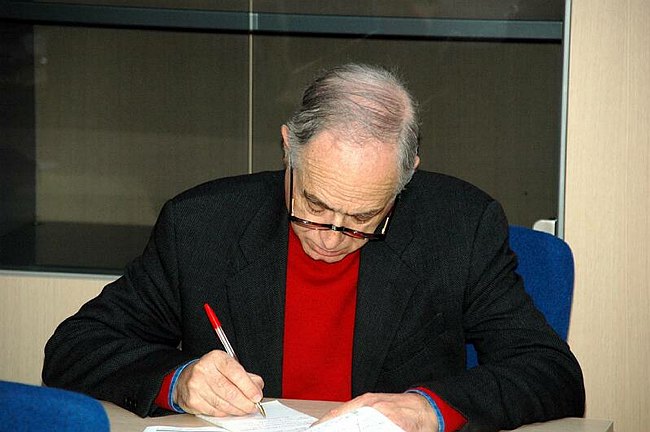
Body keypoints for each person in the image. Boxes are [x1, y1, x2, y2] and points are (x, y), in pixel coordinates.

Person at [43, 63, 584, 432]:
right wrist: (179, 382)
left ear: (407, 176)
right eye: (315, 206)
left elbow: (550, 372)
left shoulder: (459, 227)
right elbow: (75, 348)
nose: (331, 237)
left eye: (364, 217)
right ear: (288, 149)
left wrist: (428, 411)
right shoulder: (202, 226)